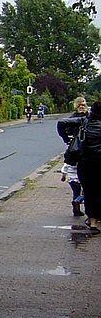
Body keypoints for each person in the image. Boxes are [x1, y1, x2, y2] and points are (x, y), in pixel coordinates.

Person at [59, 98, 101, 234]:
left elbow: (61, 123)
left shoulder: (84, 121)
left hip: (85, 163)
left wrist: (67, 140)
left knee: (89, 191)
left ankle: (93, 222)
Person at [58, 97, 89, 215]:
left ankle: (76, 205)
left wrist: (67, 140)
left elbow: (62, 126)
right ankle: (83, 204)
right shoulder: (89, 118)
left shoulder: (71, 119)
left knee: (75, 185)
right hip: (87, 152)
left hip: (73, 152)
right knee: (88, 184)